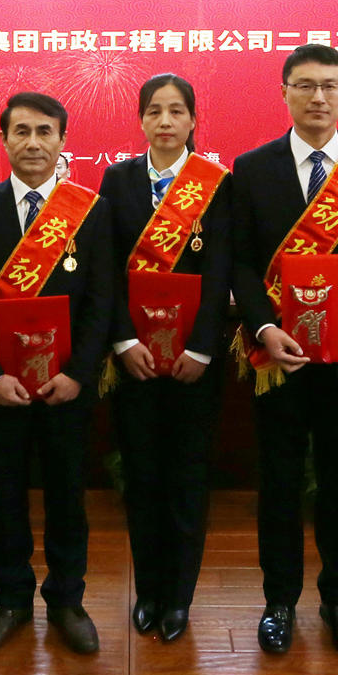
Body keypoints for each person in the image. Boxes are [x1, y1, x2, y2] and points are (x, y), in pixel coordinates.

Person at [226, 43, 338, 659]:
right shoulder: (252, 169)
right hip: (278, 358)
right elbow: (241, 262)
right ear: (284, 93)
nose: (318, 97)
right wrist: (262, 327)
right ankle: (279, 600)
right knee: (278, 480)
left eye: (330, 85)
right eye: (304, 85)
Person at [0, 92, 114, 655]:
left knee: (68, 497)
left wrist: (79, 373)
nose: (33, 143)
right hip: (3, 389)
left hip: (66, 388)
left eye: (45, 132)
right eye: (21, 131)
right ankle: (10, 600)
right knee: (5, 497)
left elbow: (101, 301)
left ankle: (68, 600)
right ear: (3, 140)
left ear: (63, 141)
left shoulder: (89, 212)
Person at [98, 74, 232, 644]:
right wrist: (124, 342)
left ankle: (179, 597)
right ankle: (148, 591)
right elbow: (107, 268)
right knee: (143, 477)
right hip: (136, 360)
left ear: (193, 120)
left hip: (193, 364)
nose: (166, 121)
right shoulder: (118, 179)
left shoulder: (215, 183)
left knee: (187, 478)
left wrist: (201, 348)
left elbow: (221, 270)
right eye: (155, 111)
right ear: (141, 120)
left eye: (177, 111)